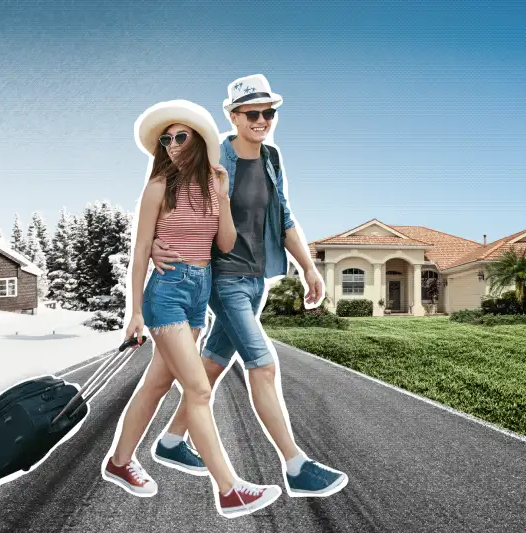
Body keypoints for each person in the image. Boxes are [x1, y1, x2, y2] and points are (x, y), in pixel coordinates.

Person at [149, 75, 349, 497]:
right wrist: (151, 244)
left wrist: (309, 268)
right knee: (263, 363)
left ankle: (170, 442)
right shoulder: (213, 154)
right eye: (252, 113)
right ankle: (295, 465)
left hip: (256, 279)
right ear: (233, 116)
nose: (262, 120)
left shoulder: (272, 158)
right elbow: (170, 194)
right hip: (223, 279)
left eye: (269, 112)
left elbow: (284, 216)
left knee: (212, 365)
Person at [101, 99, 282, 518]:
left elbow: (224, 244)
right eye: (165, 140)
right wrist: (135, 313)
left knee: (157, 385)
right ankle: (230, 488)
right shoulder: (158, 187)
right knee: (198, 389)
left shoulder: (212, 185)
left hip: (198, 290)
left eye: (179, 136)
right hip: (166, 291)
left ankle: (118, 462)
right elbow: (141, 250)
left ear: (198, 140)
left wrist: (221, 195)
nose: (172, 145)